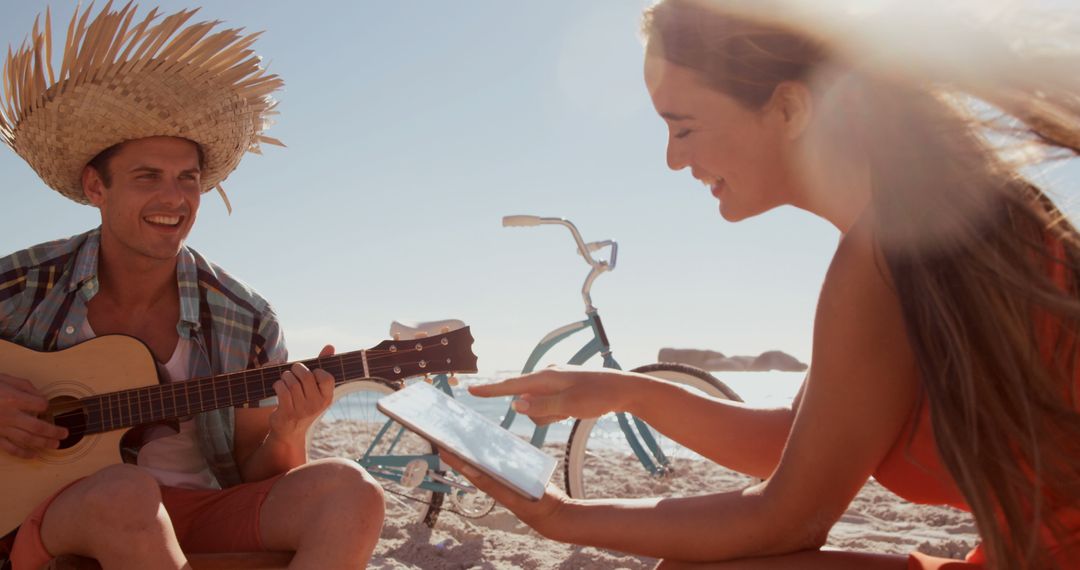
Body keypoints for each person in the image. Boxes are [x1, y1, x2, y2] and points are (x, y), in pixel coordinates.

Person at [441, 0, 1080, 568]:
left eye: (683, 126)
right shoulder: (919, 219)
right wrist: (624, 391)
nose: (672, 158)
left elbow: (787, 516)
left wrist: (561, 517)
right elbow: (793, 441)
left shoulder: (885, 251)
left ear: (788, 107)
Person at [0, 5, 384, 569]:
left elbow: (262, 475)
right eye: (147, 176)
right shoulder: (22, 283)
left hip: (196, 512)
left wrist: (291, 425)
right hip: (49, 518)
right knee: (127, 494)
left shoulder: (246, 316)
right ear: (94, 185)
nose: (174, 199)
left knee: (352, 491)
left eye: (188, 179)